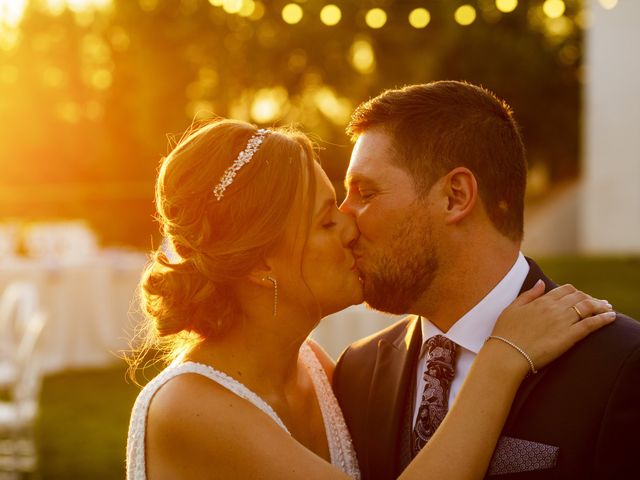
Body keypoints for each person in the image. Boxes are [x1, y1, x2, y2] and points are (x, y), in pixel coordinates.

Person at [126, 118, 614, 480]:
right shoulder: (189, 410)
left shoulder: (320, 370)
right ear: (259, 265)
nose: (349, 224)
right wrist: (501, 360)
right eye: (323, 220)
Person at [333, 81, 640, 479]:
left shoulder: (620, 365)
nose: (344, 220)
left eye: (365, 193)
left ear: (455, 196)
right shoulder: (358, 370)